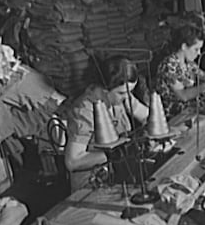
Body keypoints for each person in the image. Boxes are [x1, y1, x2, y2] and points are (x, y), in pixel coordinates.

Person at [63, 56, 149, 192]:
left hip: (119, 171)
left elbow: (148, 118)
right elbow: (72, 162)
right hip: (92, 183)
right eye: (122, 93)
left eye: (130, 92)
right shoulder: (84, 111)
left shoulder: (120, 96)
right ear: (104, 90)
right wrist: (115, 154)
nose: (127, 96)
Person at [154, 24, 205, 116]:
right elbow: (183, 95)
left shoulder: (188, 63)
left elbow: (202, 74)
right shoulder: (169, 66)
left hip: (192, 111)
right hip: (175, 117)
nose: (199, 53)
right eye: (196, 49)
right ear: (184, 46)